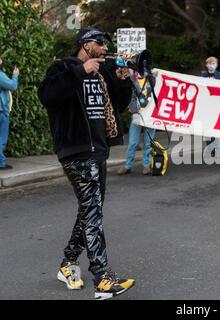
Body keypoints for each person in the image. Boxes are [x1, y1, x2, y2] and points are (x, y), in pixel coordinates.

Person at [38, 28, 135, 300]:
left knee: (90, 211)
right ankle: (102, 278)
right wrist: (81, 70)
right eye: (99, 43)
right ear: (84, 44)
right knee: (93, 211)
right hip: (75, 150)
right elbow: (47, 96)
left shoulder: (103, 72)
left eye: (107, 43)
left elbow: (120, 104)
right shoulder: (63, 67)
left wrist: (123, 81)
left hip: (98, 150)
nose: (105, 47)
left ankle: (68, 263)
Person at [118, 70, 156, 175]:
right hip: (137, 114)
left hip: (150, 114)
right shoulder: (131, 78)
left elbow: (158, 93)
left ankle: (146, 165)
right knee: (133, 142)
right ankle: (128, 165)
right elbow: (130, 96)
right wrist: (134, 111)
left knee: (148, 142)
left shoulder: (152, 77)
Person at [200, 56, 220, 157]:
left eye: (213, 63)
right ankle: (209, 147)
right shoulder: (202, 76)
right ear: (206, 65)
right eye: (209, 63)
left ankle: (215, 147)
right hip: (206, 105)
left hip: (217, 105)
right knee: (206, 127)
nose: (211, 65)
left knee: (215, 127)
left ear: (217, 65)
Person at [0, 57, 19, 170]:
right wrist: (15, 75)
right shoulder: (0, 75)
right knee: (2, 138)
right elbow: (12, 86)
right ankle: (0, 163)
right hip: (1, 110)